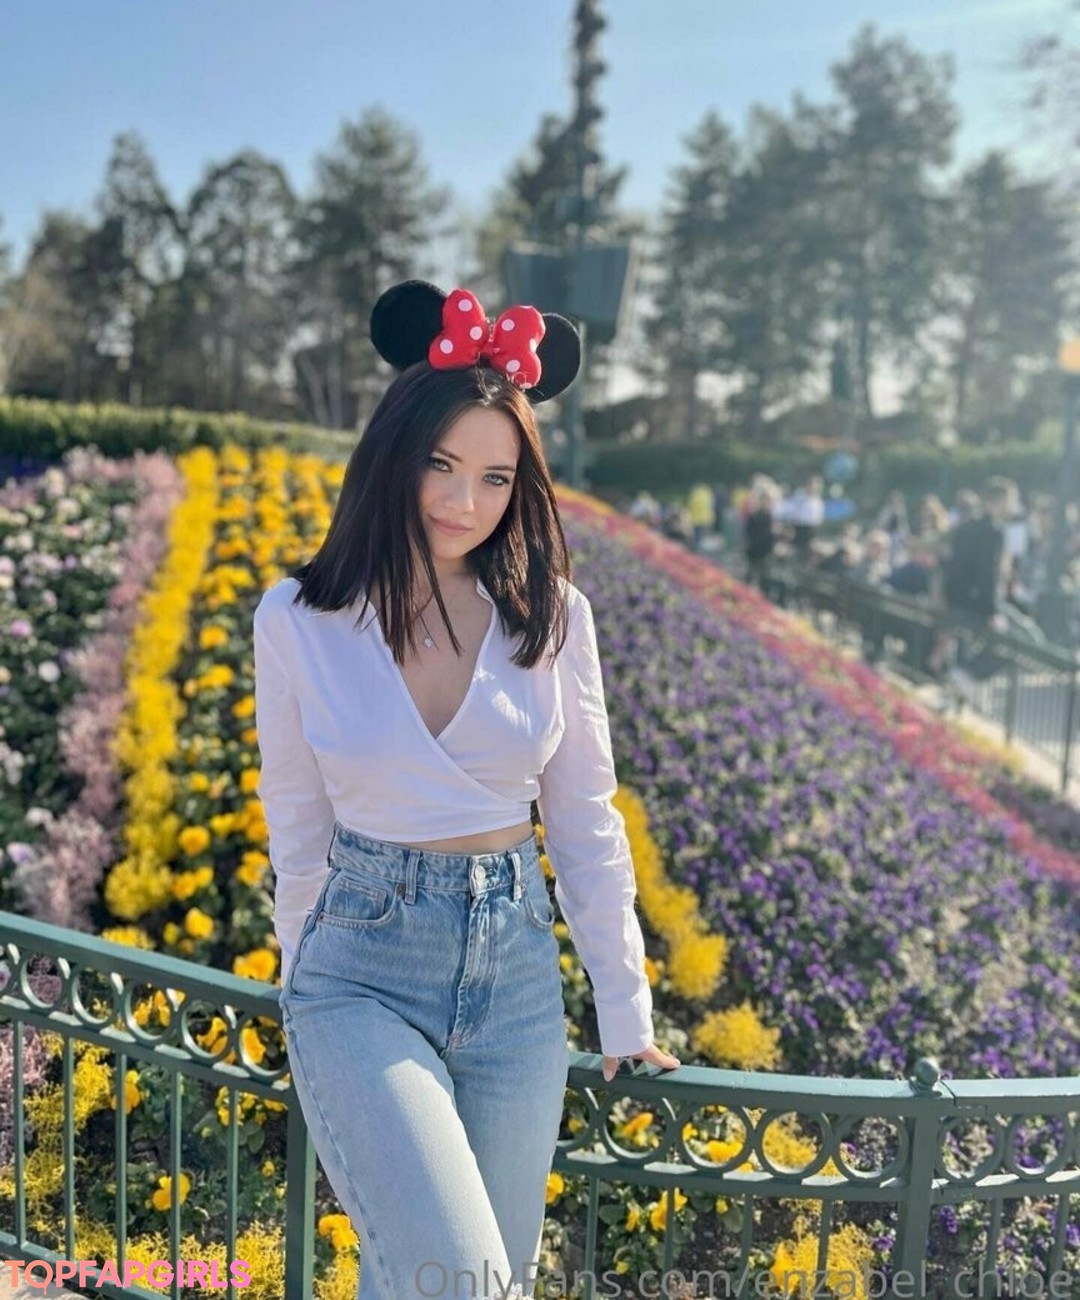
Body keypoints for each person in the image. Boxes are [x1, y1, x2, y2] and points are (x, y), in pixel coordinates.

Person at [253, 281, 679, 1300]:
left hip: (517, 979)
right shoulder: (300, 618)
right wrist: (300, 975)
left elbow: (584, 818)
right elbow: (296, 822)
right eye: (441, 465)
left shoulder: (553, 615)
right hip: (360, 971)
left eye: (496, 477)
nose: (463, 501)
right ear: (393, 455)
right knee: (463, 1282)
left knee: (467, 1279)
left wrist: (624, 1005)